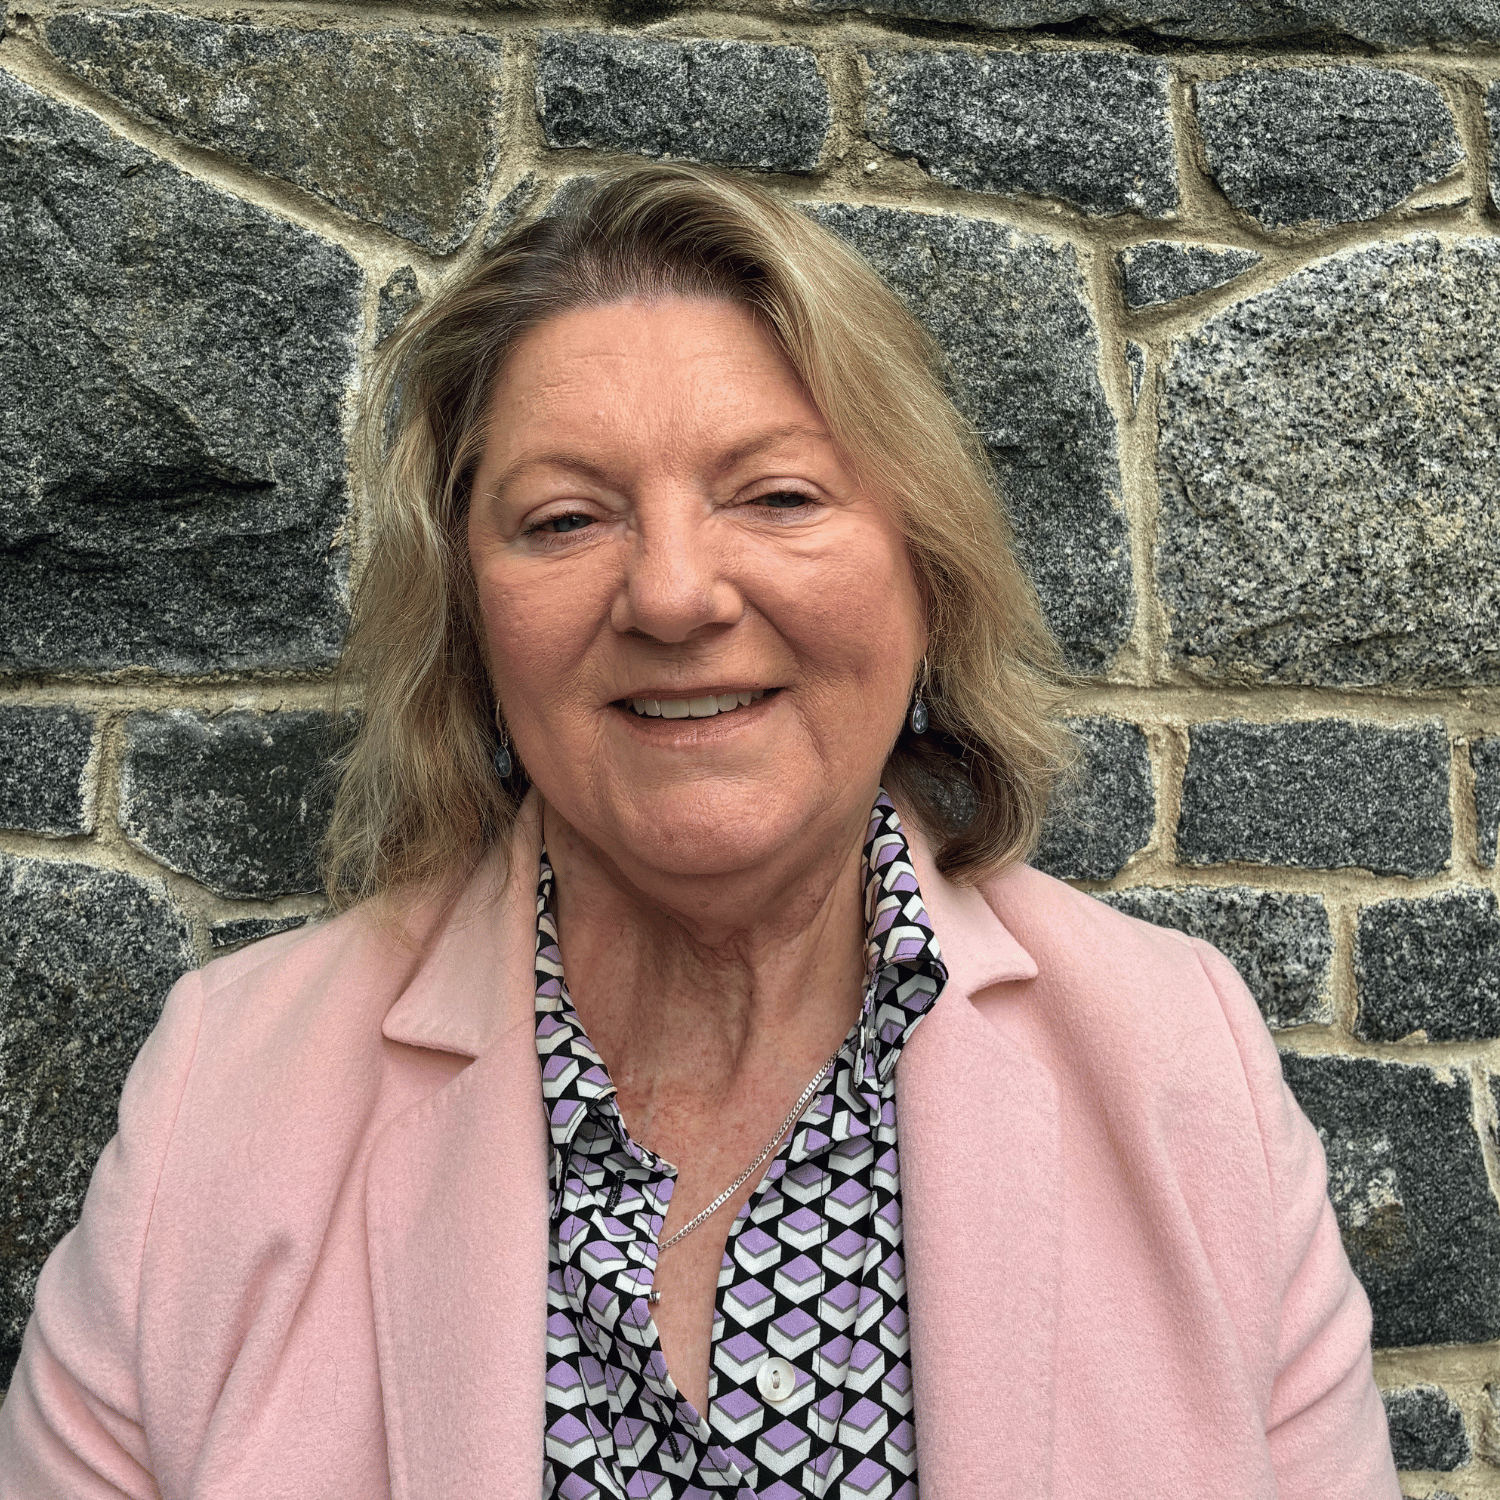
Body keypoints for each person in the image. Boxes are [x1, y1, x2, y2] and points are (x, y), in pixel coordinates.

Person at [0, 162, 1399, 1499]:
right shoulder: (226, 1098)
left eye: (777, 495)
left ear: (927, 576)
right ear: (473, 628)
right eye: (563, 519)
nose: (672, 594)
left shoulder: (1179, 1066)